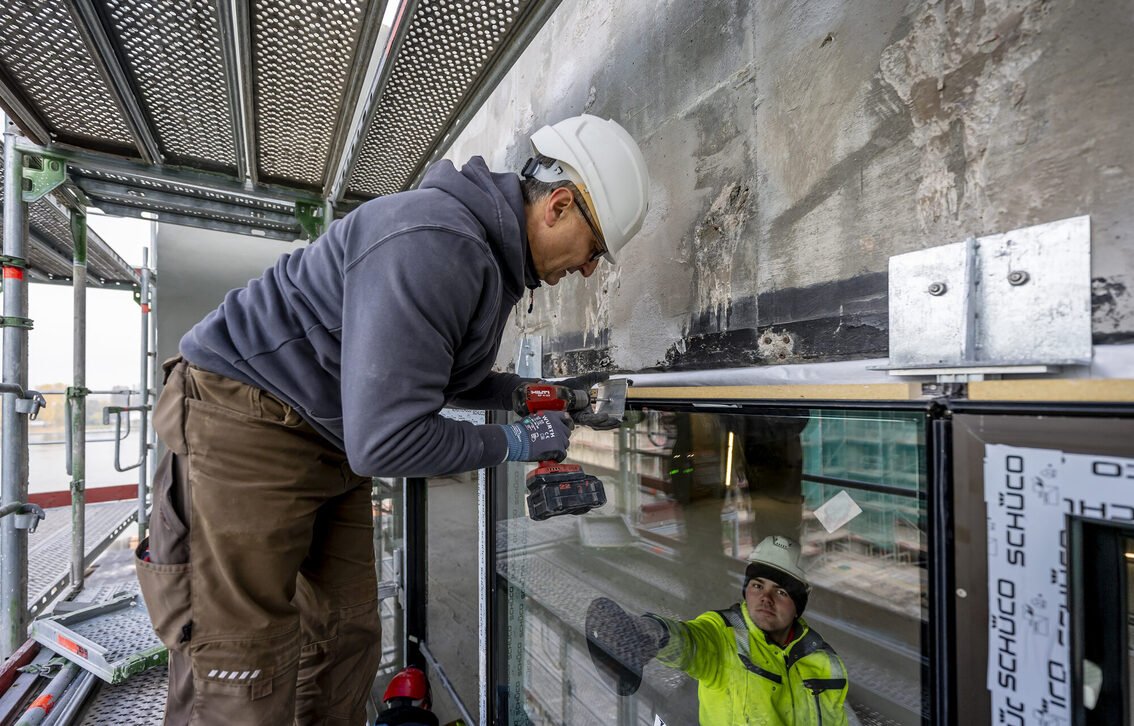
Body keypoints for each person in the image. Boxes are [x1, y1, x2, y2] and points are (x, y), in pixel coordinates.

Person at [135, 114, 649, 724]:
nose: (589, 270)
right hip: (246, 423)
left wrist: (521, 393)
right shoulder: (436, 243)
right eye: (595, 251)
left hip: (328, 434)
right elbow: (386, 442)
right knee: (243, 664)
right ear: (559, 206)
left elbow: (436, 376)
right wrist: (513, 442)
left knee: (346, 637)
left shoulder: (486, 260)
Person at [586, 535, 849, 726]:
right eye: (757, 586)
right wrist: (651, 632)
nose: (765, 599)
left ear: (798, 604)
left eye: (780, 592)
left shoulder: (825, 662)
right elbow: (691, 641)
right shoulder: (725, 634)